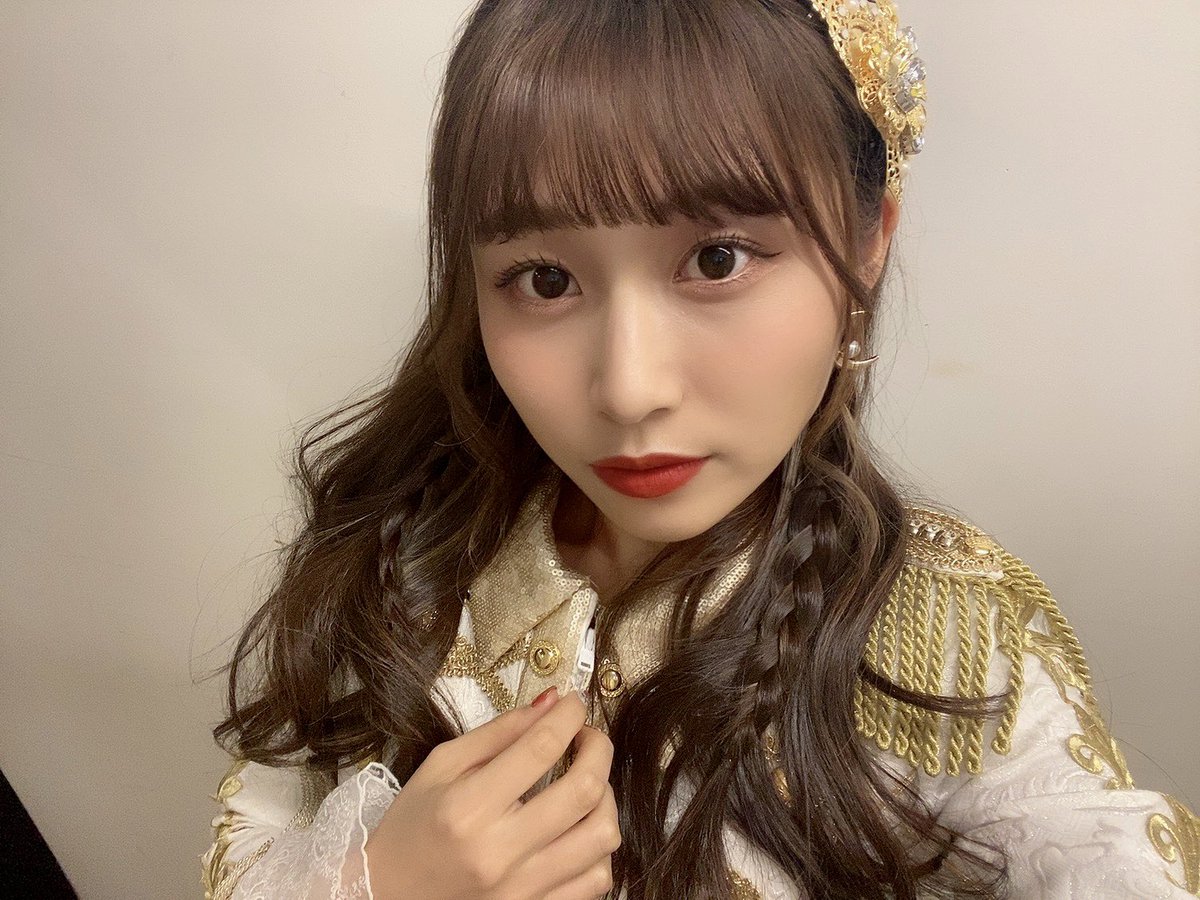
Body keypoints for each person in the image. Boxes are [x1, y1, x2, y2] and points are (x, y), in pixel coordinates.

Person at [200, 1, 1198, 898]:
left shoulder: (946, 630)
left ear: (867, 244)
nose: (629, 388)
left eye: (716, 260)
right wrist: (373, 887)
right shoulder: (395, 572)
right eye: (544, 280)